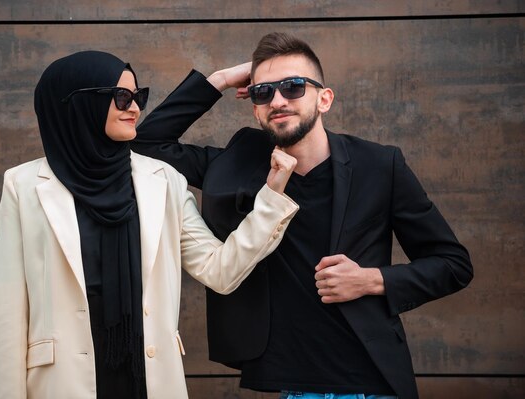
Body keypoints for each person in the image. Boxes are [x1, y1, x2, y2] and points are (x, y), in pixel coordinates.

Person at [132, 32, 474, 399]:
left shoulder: (379, 165)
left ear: (324, 99)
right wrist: (219, 80)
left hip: (369, 378)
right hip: (286, 381)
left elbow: (453, 264)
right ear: (255, 107)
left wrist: (372, 280)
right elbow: (145, 146)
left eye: (293, 87)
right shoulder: (237, 163)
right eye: (264, 92)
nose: (278, 100)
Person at [0, 50, 300, 399]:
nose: (135, 108)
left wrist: (271, 199)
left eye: (139, 97)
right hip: (61, 384)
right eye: (122, 97)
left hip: (149, 379)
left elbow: (220, 271)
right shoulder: (24, 186)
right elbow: (10, 316)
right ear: (79, 103)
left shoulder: (163, 180)